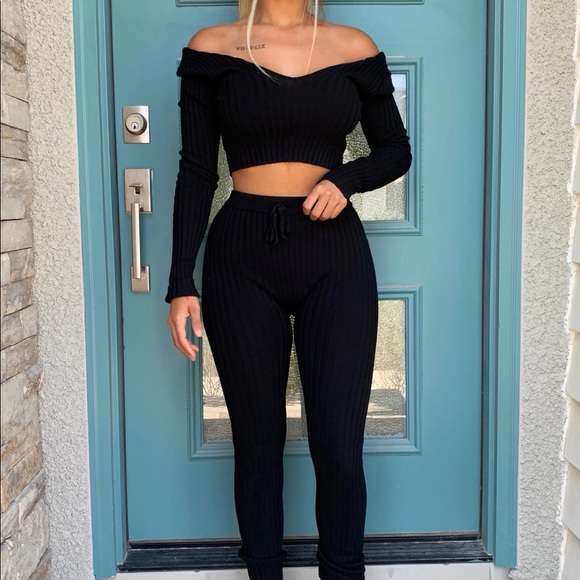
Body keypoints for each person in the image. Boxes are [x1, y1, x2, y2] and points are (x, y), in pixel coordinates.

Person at [166, 0, 412, 577]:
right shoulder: (212, 48)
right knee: (256, 444)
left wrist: (347, 179)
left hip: (335, 256)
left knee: (338, 445)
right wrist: (181, 279)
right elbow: (197, 168)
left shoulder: (353, 46)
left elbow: (395, 149)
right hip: (241, 258)